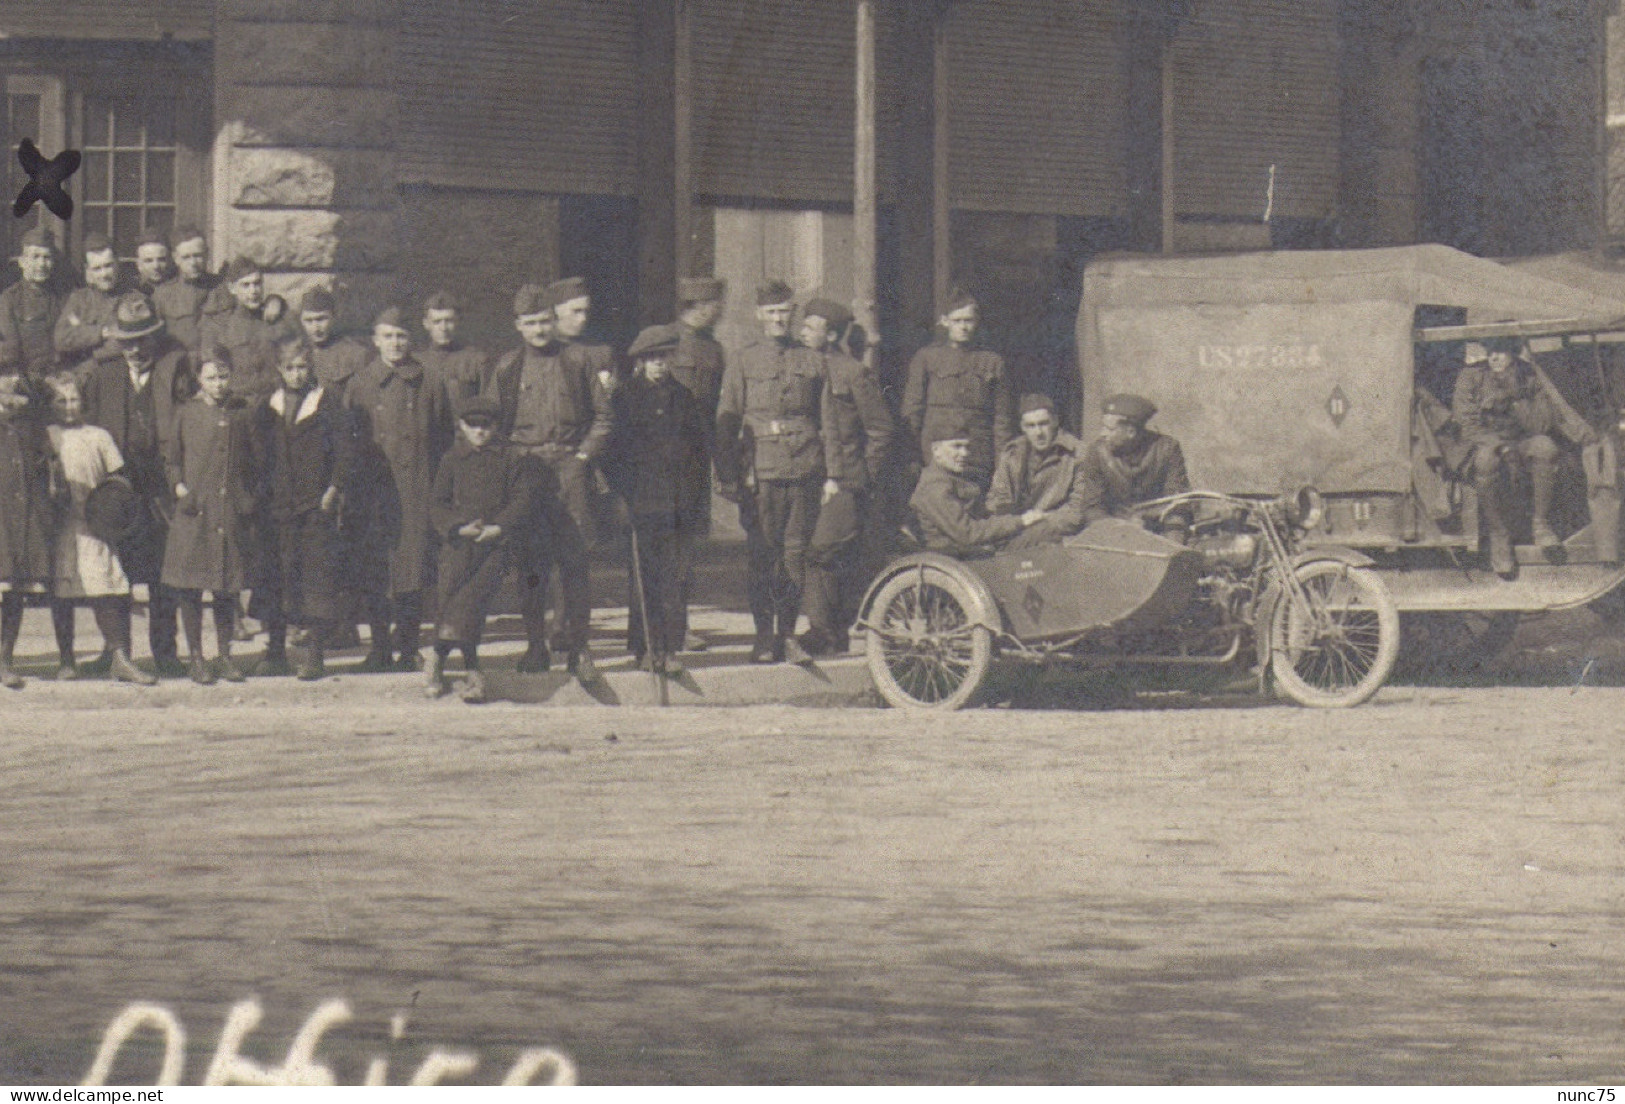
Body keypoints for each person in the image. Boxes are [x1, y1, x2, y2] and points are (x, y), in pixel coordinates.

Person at [483, 282, 612, 681]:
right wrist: (511, 469)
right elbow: (490, 426)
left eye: (544, 321)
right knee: (531, 564)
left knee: (574, 562)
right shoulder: (506, 369)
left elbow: (603, 418)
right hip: (527, 475)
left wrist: (582, 458)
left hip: (570, 470)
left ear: (554, 322)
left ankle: (579, 648)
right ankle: (536, 645)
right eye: (530, 323)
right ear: (518, 326)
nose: (539, 330)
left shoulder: (577, 362)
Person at [79, 293, 191, 677]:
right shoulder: (105, 377)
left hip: (159, 491)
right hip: (119, 492)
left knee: (163, 575)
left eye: (143, 339)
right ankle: (116, 650)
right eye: (128, 341)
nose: (135, 349)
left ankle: (166, 651)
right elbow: (90, 428)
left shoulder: (173, 371)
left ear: (155, 338)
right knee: (116, 572)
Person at [715, 281, 827, 664]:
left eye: (785, 311)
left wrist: (831, 474)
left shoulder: (813, 360)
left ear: (793, 314)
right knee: (763, 554)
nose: (779, 318)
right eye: (772, 312)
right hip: (760, 471)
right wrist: (728, 475)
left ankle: (788, 635)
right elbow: (726, 421)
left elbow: (827, 419)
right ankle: (764, 637)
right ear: (759, 315)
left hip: (805, 468)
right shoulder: (743, 361)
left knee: (796, 554)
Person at [346, 305, 448, 672]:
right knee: (377, 568)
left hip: (417, 487)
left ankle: (408, 645)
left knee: (412, 567)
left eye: (401, 336)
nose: (395, 344)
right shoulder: (361, 383)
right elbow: (350, 440)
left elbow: (443, 436)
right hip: (375, 491)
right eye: (387, 336)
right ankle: (379, 646)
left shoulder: (430, 381)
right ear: (375, 340)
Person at [603, 323, 709, 676]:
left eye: (665, 357)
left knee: (673, 578)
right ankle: (645, 648)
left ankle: (670, 648)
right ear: (641, 361)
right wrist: (621, 496)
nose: (659, 364)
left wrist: (696, 505)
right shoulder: (625, 398)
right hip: (641, 502)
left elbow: (697, 456)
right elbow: (612, 453)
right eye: (652, 359)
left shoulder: (685, 397)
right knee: (643, 577)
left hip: (677, 503)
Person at [42, 373, 156, 685]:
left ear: (84, 401)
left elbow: (118, 481)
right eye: (60, 401)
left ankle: (118, 657)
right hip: (63, 527)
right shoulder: (47, 435)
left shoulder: (98, 436)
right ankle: (66, 660)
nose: (68, 406)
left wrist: (109, 513)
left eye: (74, 399)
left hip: (96, 526)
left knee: (108, 588)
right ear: (50, 405)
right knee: (62, 592)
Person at [1453, 336, 1597, 575]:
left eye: (1500, 350)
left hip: (1522, 441)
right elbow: (1465, 423)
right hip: (1485, 442)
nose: (1494, 357)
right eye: (1490, 351)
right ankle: (1499, 535)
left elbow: (1541, 424)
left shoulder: (1528, 374)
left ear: (1513, 353)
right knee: (1485, 462)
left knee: (1545, 446)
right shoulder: (1471, 376)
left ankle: (1540, 525)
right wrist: (1500, 446)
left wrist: (1515, 399)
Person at [425, 393, 535, 703]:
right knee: (451, 602)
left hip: (494, 547)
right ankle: (459, 668)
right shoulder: (452, 459)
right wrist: (457, 528)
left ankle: (442, 658)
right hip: (458, 545)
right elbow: (437, 503)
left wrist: (499, 527)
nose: (480, 432)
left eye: (486, 426)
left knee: (470, 605)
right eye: (473, 426)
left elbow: (521, 499)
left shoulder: (509, 459)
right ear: (461, 426)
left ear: (496, 427)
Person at [253, 342, 354, 680]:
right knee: (277, 575)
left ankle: (315, 654)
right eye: (290, 368)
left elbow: (343, 449)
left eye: (302, 368)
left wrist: (335, 487)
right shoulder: (269, 406)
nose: (297, 374)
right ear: (280, 370)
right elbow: (257, 454)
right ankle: (275, 651)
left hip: (314, 505)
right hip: (278, 506)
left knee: (316, 579)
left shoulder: (327, 403)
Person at [799, 297, 894, 657]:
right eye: (804, 325)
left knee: (823, 551)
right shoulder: (801, 366)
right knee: (820, 554)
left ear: (833, 333)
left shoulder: (853, 372)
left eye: (811, 326)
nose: (803, 331)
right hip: (809, 474)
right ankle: (832, 632)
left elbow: (881, 430)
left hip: (846, 481)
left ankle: (823, 630)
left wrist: (861, 478)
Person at [162, 350, 259, 684]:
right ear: (199, 381)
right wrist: (180, 490)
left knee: (225, 589)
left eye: (224, 377)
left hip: (229, 512)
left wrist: (246, 497)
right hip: (195, 512)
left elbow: (253, 460)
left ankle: (225, 655)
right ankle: (196, 658)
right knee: (191, 588)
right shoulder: (186, 413)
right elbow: (172, 459)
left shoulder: (241, 412)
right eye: (211, 378)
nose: (219, 384)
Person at [901, 288, 1013, 489]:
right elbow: (913, 410)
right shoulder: (926, 358)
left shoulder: (992, 362)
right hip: (936, 453)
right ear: (945, 321)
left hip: (977, 453)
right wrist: (912, 456)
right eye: (957, 321)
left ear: (977, 321)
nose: (963, 327)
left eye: (968, 321)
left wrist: (1002, 465)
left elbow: (1001, 420)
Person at [670, 276, 728, 652]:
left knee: (686, 543)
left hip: (697, 455)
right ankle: (661, 625)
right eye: (715, 304)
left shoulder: (715, 349)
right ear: (701, 305)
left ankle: (680, 623)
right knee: (666, 542)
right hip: (667, 454)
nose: (720, 311)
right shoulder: (667, 342)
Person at [910, 432, 1050, 557]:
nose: (964, 453)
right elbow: (967, 533)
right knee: (1043, 534)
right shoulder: (934, 487)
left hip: (972, 551)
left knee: (1043, 529)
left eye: (966, 447)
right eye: (956, 446)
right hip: (958, 557)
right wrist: (1020, 521)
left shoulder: (951, 478)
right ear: (936, 450)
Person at [0, 372, 55, 687]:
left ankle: (5, 660)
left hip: (20, 520)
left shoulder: (30, 429)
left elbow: (44, 471)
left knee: (14, 592)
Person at [1078, 392, 1192, 536]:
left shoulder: (1167, 449)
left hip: (1158, 532)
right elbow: (1092, 507)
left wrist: (1173, 544)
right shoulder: (1097, 453)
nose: (1102, 434)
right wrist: (1120, 529)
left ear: (1130, 432)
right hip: (1113, 533)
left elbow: (1178, 504)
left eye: (1109, 429)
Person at [986, 393, 1091, 541]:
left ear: (1055, 421)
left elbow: (1078, 510)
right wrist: (1014, 522)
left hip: (1057, 533)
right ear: (1023, 427)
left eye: (1043, 423)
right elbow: (998, 500)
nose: (1038, 433)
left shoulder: (1077, 454)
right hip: (1017, 530)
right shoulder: (1012, 454)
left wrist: (1041, 519)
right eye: (1031, 426)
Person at [198, 256, 297, 405]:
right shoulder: (219, 327)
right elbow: (210, 372)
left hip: (275, 403)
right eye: (246, 285)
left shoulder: (278, 320)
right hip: (237, 405)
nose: (253, 291)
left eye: (257, 284)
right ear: (232, 288)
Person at [54, 232, 122, 376]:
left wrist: (82, 333)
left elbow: (120, 345)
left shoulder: (132, 298)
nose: (104, 274)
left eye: (108, 266)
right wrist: (100, 333)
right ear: (88, 270)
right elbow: (61, 338)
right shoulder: (79, 300)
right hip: (82, 377)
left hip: (114, 376)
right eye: (97, 268)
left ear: (117, 264)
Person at [0, 226, 62, 380]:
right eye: (35, 257)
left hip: (59, 376)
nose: (42, 264)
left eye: (47, 257)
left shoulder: (61, 296)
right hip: (26, 379)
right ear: (22, 262)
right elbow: (9, 352)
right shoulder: (9, 300)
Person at [297, 286, 369, 400]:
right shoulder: (296, 351)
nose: (315, 328)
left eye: (321, 319)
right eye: (309, 320)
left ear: (334, 317)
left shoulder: (355, 354)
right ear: (301, 321)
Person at [418, 291, 487, 411]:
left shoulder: (476, 361)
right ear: (426, 324)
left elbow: (486, 406)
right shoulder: (416, 362)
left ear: (458, 322)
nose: (443, 328)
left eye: (449, 321)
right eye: (437, 322)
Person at [152, 227, 216, 353]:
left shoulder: (222, 288)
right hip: (180, 365)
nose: (193, 263)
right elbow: (155, 341)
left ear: (207, 254)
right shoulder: (163, 294)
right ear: (176, 258)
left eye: (198, 256)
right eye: (186, 257)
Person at [132, 230, 172, 299]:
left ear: (169, 260)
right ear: (138, 264)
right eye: (149, 261)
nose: (156, 266)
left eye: (161, 260)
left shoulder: (180, 291)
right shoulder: (129, 292)